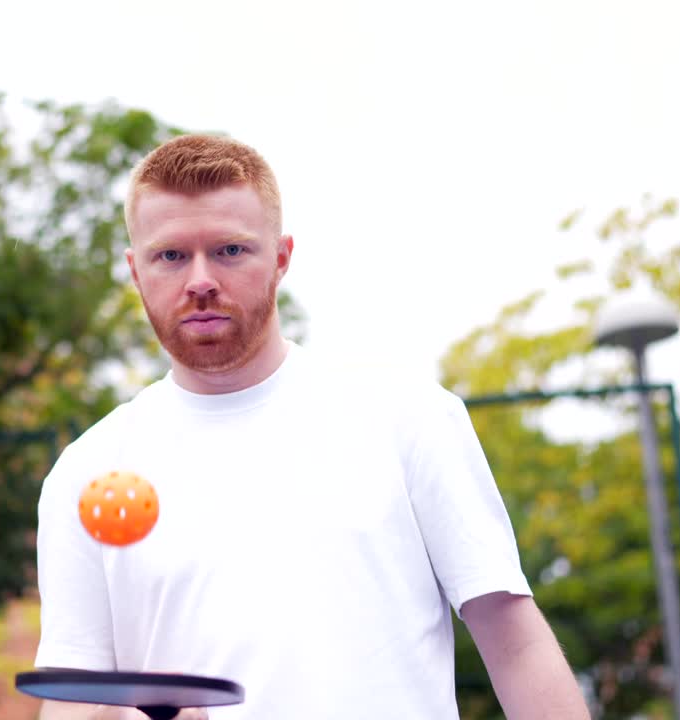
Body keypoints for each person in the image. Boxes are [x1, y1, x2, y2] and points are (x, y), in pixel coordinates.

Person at [32, 134, 591, 719]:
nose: (200, 279)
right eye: (170, 255)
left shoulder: (407, 417)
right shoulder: (87, 472)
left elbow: (515, 640)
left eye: (229, 250)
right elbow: (75, 698)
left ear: (280, 256)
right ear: (135, 270)